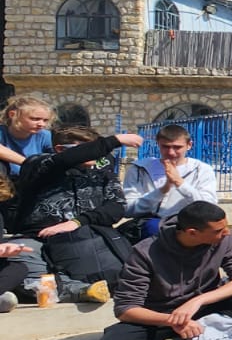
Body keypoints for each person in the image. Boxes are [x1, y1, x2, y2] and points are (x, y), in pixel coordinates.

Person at [93, 202, 232, 340]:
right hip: (159, 316)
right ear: (192, 233)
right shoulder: (144, 253)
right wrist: (173, 320)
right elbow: (126, 309)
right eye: (218, 230)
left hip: (205, 309)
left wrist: (198, 301)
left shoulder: (223, 239)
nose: (226, 232)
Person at [6, 127, 142, 303]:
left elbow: (116, 207)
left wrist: (77, 222)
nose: (96, 153)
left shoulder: (103, 174)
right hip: (38, 238)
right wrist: (114, 141)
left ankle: (78, 289)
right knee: (19, 258)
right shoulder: (38, 164)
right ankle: (80, 290)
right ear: (60, 149)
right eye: (88, 148)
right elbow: (66, 159)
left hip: (83, 238)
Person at [122, 124, 219, 239]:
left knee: (224, 237)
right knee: (155, 228)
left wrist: (180, 183)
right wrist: (162, 190)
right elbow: (128, 209)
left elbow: (209, 208)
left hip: (189, 225)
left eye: (177, 147)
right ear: (158, 144)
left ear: (189, 145)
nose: (171, 152)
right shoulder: (140, 169)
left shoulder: (201, 170)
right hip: (151, 225)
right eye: (165, 147)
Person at [0, 96, 53, 176]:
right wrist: (29, 163)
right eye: (35, 119)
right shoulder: (2, 132)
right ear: (12, 115)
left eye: (45, 120)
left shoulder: (45, 135)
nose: (41, 124)